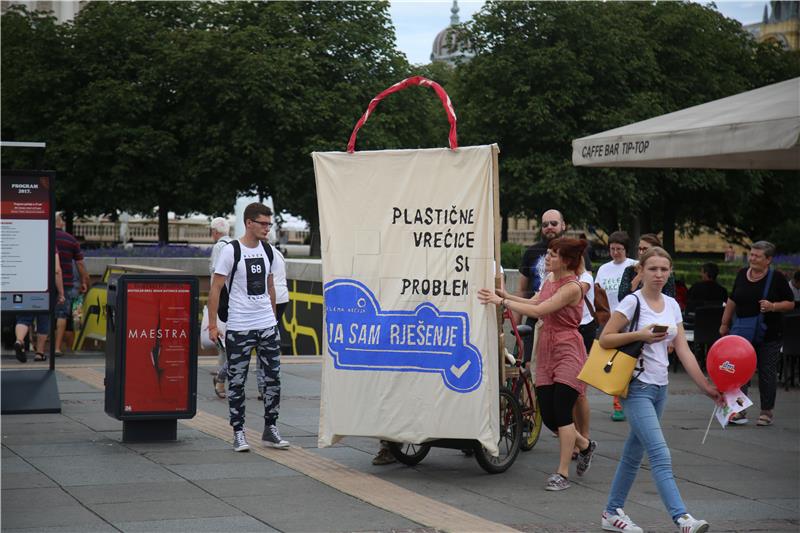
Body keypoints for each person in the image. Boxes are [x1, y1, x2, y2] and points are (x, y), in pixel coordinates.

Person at [599, 247, 722, 533]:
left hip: (660, 388)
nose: (658, 274)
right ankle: (682, 519)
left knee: (633, 453)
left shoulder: (672, 304)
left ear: (670, 272)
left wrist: (706, 387)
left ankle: (611, 511)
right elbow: (606, 339)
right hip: (636, 387)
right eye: (652, 269)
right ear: (641, 271)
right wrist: (640, 335)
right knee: (660, 453)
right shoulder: (632, 302)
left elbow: (684, 350)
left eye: (664, 269)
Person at [480, 237, 597, 491]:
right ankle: (586, 446)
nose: (548, 257)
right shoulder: (550, 279)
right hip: (547, 348)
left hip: (568, 349)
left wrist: (501, 302)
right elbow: (534, 301)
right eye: (549, 253)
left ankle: (562, 473)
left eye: (553, 254)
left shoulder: (572, 287)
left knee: (563, 412)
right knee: (550, 416)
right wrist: (505, 294)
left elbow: (541, 310)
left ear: (566, 260)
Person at [207, 203, 289, 451]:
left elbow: (270, 286)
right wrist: (213, 325)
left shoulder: (269, 251)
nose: (267, 228)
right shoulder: (231, 251)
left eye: (269, 224)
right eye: (263, 223)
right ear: (249, 223)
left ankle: (270, 429)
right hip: (240, 326)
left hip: (266, 325)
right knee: (237, 380)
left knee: (273, 379)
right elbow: (216, 288)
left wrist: (273, 321)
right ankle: (239, 432)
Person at [719, 241, 794, 426]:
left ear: (768, 259)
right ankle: (739, 410)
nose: (752, 258)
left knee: (767, 373)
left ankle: (766, 411)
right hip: (742, 333)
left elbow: (791, 303)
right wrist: (724, 323)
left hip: (769, 334)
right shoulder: (741, 275)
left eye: (757, 256)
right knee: (739, 373)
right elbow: (732, 299)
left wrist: (773, 306)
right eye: (751, 254)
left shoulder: (776, 277)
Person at [614, 233, 675, 422]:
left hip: (659, 378)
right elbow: (623, 295)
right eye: (639, 249)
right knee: (659, 451)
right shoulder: (631, 276)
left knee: (636, 444)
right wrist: (640, 274)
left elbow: (669, 297)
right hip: (637, 377)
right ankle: (618, 404)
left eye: (645, 249)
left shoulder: (670, 302)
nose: (641, 252)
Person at [517, 209, 591, 362]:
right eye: (545, 224)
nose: (549, 227)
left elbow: (586, 283)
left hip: (566, 320)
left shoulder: (575, 252)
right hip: (535, 318)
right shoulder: (531, 252)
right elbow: (523, 291)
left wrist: (560, 297)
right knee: (533, 369)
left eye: (553, 223)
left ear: (563, 225)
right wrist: (516, 325)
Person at [596, 231, 637, 422]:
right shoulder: (604, 269)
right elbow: (598, 295)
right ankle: (617, 403)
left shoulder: (633, 266)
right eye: (612, 249)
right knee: (615, 363)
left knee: (630, 363)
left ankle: (630, 401)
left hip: (631, 322)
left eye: (619, 249)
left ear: (626, 249)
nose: (615, 253)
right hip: (610, 323)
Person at [15, 253, 66, 362]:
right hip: (45, 287)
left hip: (24, 284)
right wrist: (61, 293)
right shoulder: (49, 243)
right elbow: (56, 270)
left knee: (23, 318)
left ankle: (19, 341)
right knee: (44, 318)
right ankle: (39, 353)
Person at [54, 214, 91, 356]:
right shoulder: (72, 244)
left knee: (59, 317)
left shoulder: (48, 240)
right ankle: (73, 349)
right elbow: (83, 270)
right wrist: (84, 283)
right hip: (74, 291)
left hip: (61, 286)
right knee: (75, 321)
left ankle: (58, 347)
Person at [256, 241, 289, 402]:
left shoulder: (261, 253)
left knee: (257, 341)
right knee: (268, 341)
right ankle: (266, 385)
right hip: (283, 296)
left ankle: (262, 386)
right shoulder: (278, 253)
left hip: (270, 298)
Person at [209, 217, 233, 399]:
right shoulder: (234, 243)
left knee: (223, 342)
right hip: (233, 299)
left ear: (215, 232)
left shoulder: (218, 247)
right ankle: (221, 379)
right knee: (227, 343)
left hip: (222, 300)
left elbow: (216, 276)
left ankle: (220, 379)